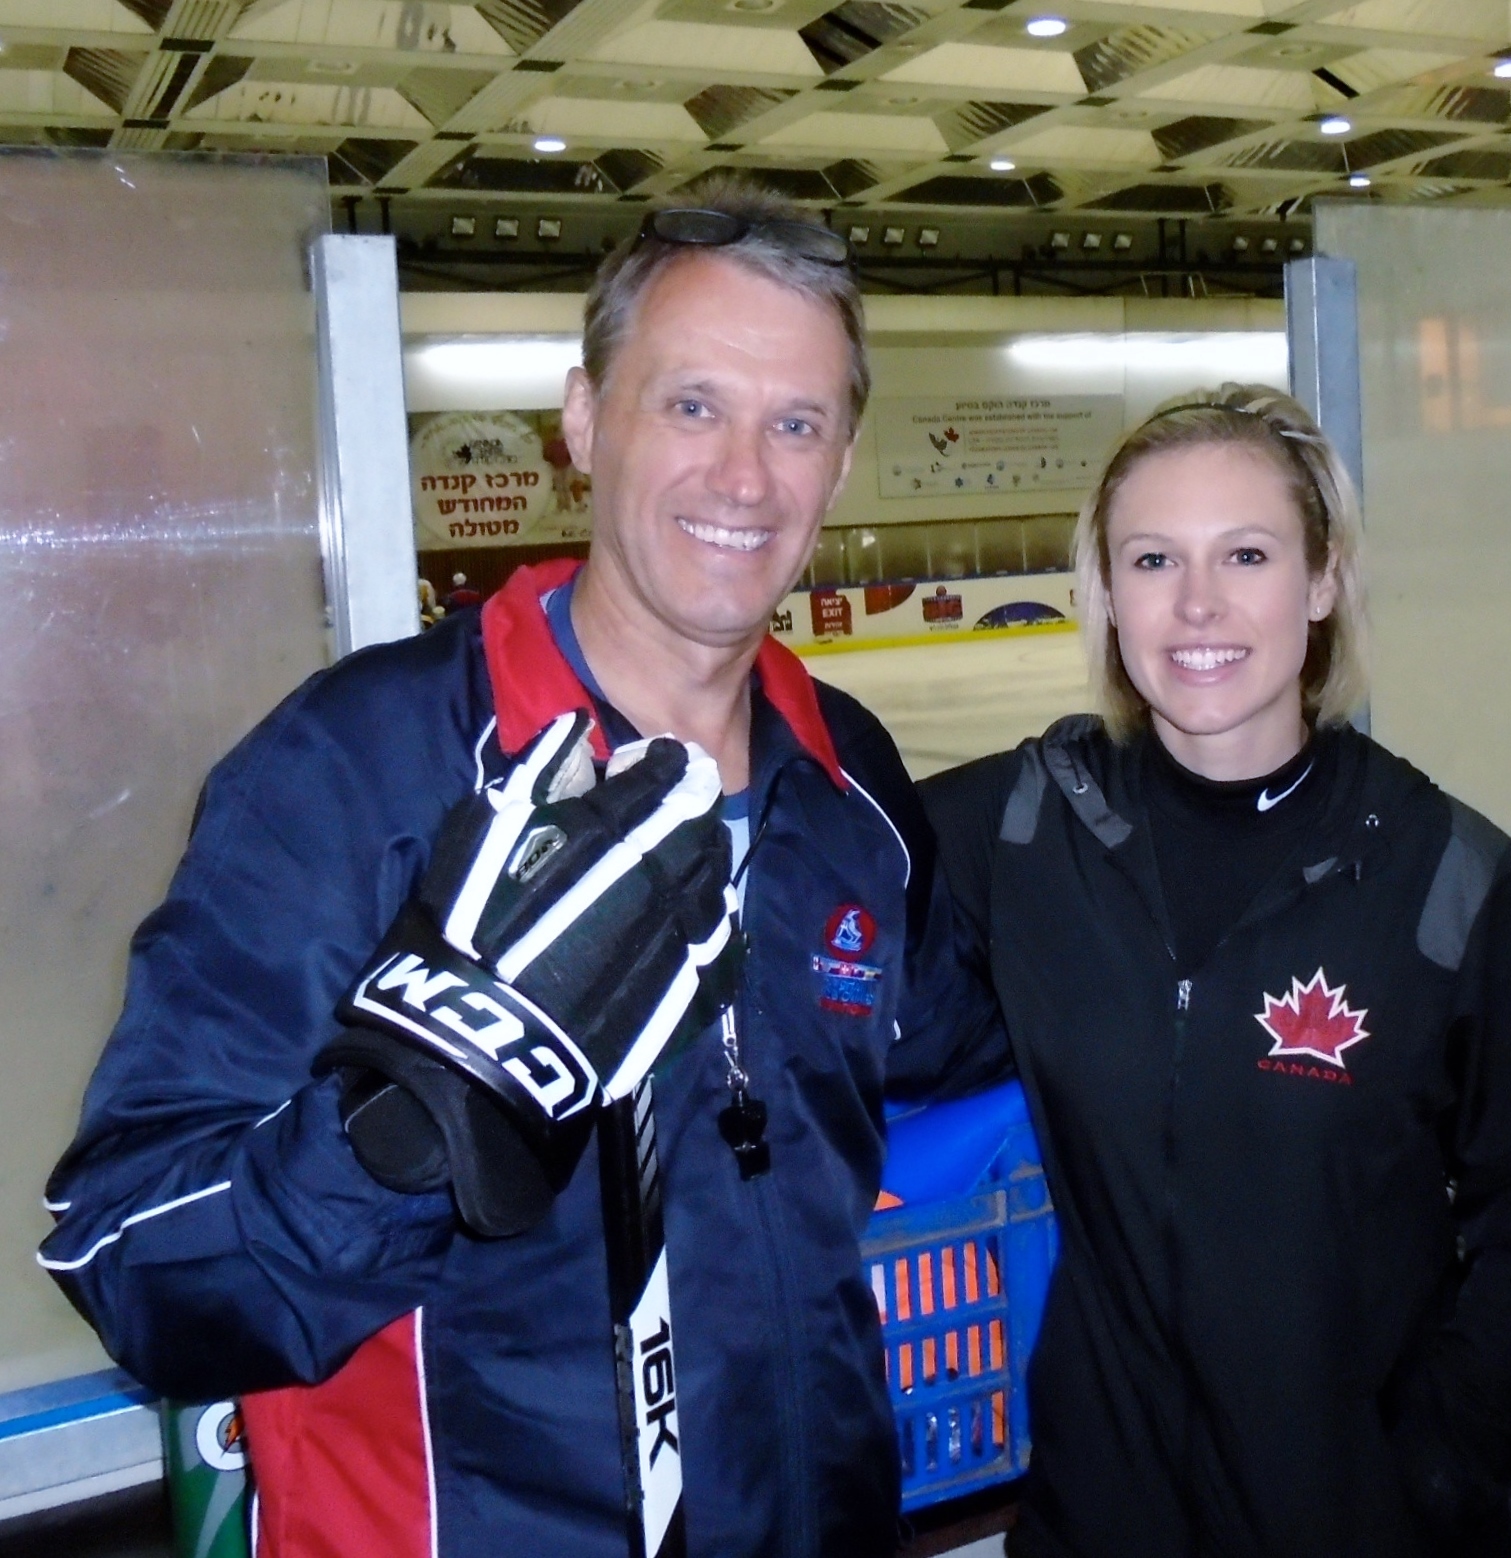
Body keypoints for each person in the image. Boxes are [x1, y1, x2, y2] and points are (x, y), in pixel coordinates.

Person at [40, 178, 1000, 1558]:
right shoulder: (362, 768)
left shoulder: (839, 772)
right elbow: (128, 1259)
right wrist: (413, 1125)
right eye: (690, 405)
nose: (743, 475)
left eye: (794, 423)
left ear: (838, 465)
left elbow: (940, 1027)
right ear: (581, 419)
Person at [922, 385, 1511, 1558]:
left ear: (1322, 578)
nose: (1196, 604)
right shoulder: (1022, 829)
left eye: (1245, 553)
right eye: (1151, 559)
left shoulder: (1444, 875)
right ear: (1104, 591)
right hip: (1102, 1527)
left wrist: (1430, 1471)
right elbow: (811, 858)